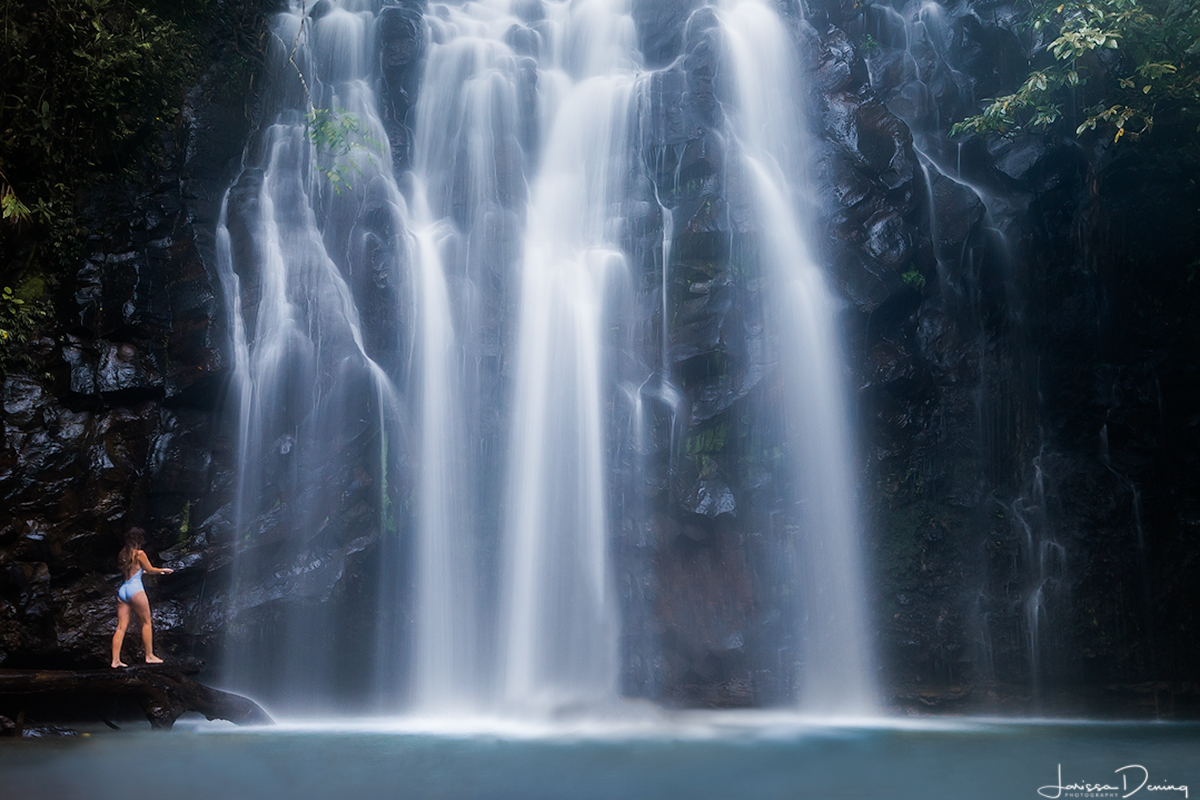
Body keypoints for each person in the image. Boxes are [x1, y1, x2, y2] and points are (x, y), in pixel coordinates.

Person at [110, 527, 174, 668]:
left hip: (124, 589)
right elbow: (150, 569)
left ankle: (115, 660)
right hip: (135, 590)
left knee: (121, 627)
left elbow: (137, 570)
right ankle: (149, 656)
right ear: (139, 539)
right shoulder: (139, 553)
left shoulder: (124, 553)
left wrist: (148, 572)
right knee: (146, 623)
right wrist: (163, 570)